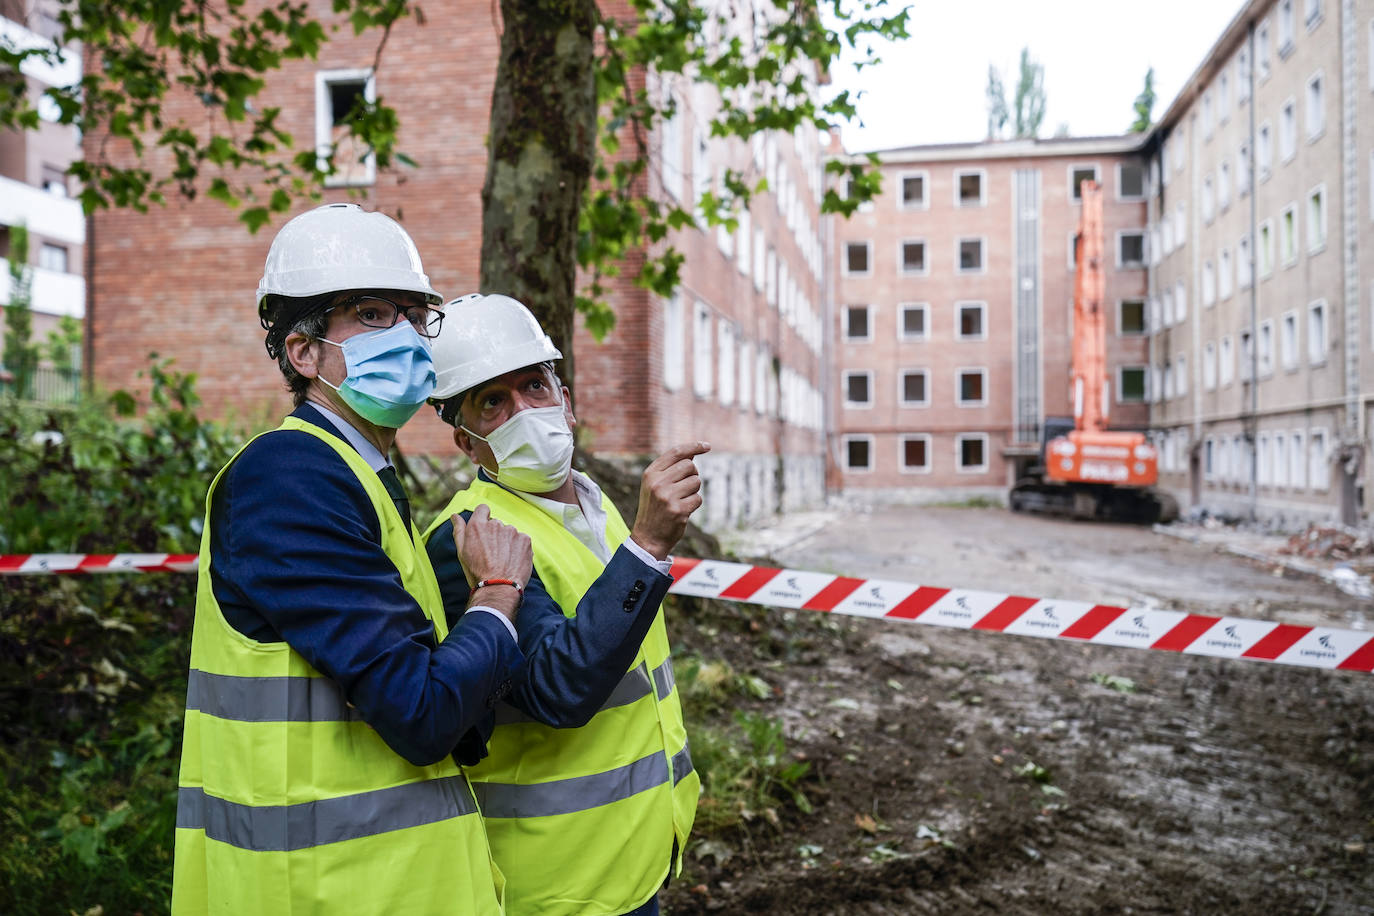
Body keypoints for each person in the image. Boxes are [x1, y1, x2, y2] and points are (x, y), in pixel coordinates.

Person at [172, 204, 532, 915]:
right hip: (322, 891)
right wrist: (496, 593)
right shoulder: (291, 478)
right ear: (303, 354)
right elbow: (424, 713)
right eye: (372, 314)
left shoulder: (357, 472)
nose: (405, 334)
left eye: (414, 315)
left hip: (379, 884)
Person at [422, 293, 706, 916]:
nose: (524, 411)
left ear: (567, 401)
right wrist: (649, 544)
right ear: (467, 443)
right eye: (493, 402)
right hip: (555, 882)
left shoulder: (595, 504)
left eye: (534, 387)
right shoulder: (470, 535)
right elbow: (557, 687)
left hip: (639, 851)